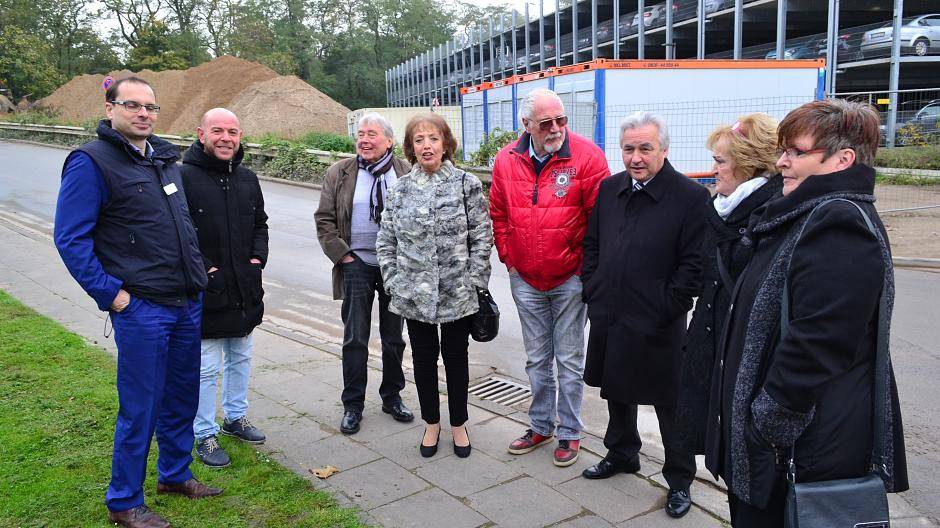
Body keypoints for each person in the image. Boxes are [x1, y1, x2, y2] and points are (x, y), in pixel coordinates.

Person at [704, 99, 909, 526]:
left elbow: (819, 342)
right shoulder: (800, 213)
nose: (782, 162)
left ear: (842, 159)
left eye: (796, 152)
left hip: (803, 449)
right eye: (783, 150)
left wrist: (768, 423)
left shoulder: (838, 222)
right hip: (782, 447)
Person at [53, 76, 221, 528]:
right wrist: (113, 295)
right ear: (110, 108)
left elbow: (178, 223)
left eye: (150, 106)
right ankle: (124, 500)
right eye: (133, 105)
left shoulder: (164, 158)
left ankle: (174, 475)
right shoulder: (91, 162)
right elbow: (70, 239)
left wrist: (197, 266)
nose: (144, 113)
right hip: (142, 308)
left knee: (183, 396)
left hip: (185, 302)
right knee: (140, 406)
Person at [581, 111, 709, 519]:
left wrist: (667, 305)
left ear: (664, 150)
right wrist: (594, 287)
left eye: (644, 148)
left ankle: (679, 481)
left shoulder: (690, 197)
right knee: (617, 391)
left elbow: (694, 266)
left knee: (669, 405)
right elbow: (593, 243)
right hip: (611, 313)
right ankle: (622, 454)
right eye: (628, 148)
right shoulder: (609, 189)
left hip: (658, 320)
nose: (635, 157)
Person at [490, 88, 609, 467]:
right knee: (537, 359)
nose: (556, 128)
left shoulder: (588, 157)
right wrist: (510, 260)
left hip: (569, 279)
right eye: (546, 123)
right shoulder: (506, 160)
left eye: (561, 120)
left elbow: (601, 221)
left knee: (569, 360)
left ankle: (570, 433)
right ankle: (541, 424)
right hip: (525, 278)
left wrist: (582, 270)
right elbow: (499, 214)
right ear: (526, 126)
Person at [376, 113, 492, 459]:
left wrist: (474, 281)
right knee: (423, 360)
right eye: (419, 140)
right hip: (414, 294)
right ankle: (431, 423)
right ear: (410, 148)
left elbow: (482, 237)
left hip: (458, 292)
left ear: (446, 143)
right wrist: (395, 281)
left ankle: (459, 423)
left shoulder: (465, 183)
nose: (426, 146)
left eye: (433, 138)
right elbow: (387, 240)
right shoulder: (400, 188)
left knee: (456, 359)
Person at [673, 114, 783, 472]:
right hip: (714, 345)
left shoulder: (768, 216)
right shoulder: (723, 210)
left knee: (745, 459)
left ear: (748, 165)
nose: (714, 170)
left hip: (740, 357)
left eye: (721, 161)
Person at [315, 112, 414, 435]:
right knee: (355, 337)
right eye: (361, 134)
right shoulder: (339, 172)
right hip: (354, 262)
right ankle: (353, 404)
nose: (364, 140)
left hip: (394, 266)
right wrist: (342, 256)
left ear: (388, 141)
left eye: (372, 134)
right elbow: (324, 219)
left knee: (393, 338)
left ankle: (392, 396)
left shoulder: (405, 172)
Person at [181, 108, 269, 468]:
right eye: (217, 130)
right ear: (201, 134)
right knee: (205, 367)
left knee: (242, 357)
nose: (226, 138)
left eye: (233, 131)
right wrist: (206, 270)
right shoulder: (182, 177)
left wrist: (256, 261)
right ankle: (203, 433)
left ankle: (235, 418)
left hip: (244, 288)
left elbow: (260, 224)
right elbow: (179, 234)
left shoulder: (248, 178)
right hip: (208, 289)